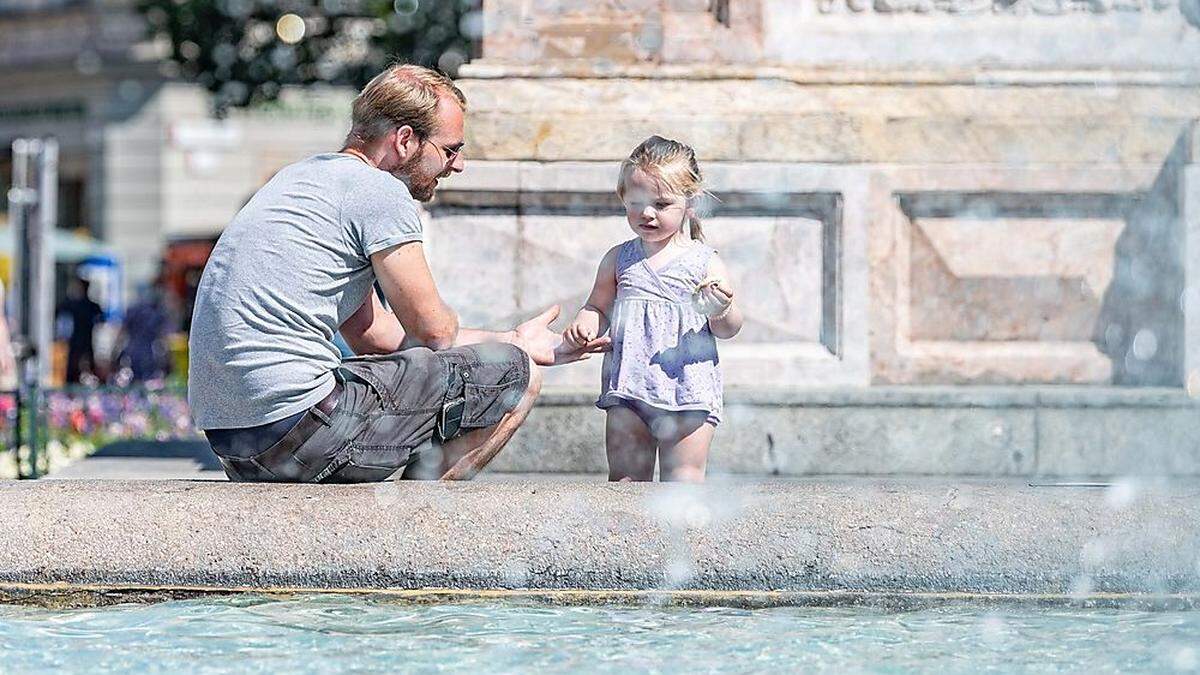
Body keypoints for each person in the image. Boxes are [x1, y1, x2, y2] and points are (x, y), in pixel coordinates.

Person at [188, 63, 608, 483]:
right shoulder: (379, 191)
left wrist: (512, 338)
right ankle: (420, 532)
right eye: (449, 150)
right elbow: (434, 334)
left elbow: (377, 336)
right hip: (306, 429)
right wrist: (516, 351)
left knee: (506, 356)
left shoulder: (302, 179)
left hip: (239, 443)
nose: (458, 166)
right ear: (406, 140)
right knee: (516, 373)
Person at [563, 136, 744, 482]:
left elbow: (729, 328)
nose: (647, 213)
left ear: (690, 204)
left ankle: (686, 538)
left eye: (661, 204)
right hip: (629, 388)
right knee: (626, 481)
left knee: (685, 481)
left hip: (689, 390)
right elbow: (598, 305)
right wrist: (586, 322)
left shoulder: (704, 261)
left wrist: (720, 308)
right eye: (636, 202)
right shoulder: (619, 259)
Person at [114, 281, 172, 384]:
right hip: (150, 353)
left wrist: (114, 351)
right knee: (150, 383)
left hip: (132, 351)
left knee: (132, 383)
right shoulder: (156, 310)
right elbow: (164, 335)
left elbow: (121, 331)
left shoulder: (133, 309)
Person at [57, 278, 105, 385]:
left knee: (74, 371)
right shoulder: (90, 306)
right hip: (86, 341)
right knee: (87, 370)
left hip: (77, 342)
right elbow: (102, 319)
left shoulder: (72, 304)